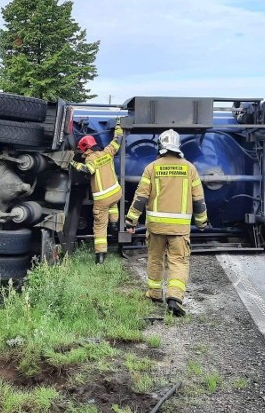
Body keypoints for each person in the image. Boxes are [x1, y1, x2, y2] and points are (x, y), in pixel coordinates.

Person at [125, 129, 208, 316]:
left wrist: (131, 220)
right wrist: (202, 223)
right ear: (177, 146)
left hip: (155, 226)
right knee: (178, 261)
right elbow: (198, 200)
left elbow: (140, 197)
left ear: (161, 145)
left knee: (155, 258)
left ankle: (154, 293)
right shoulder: (190, 168)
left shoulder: (152, 167)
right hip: (179, 228)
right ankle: (174, 298)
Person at [70, 120, 124, 264]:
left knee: (99, 226)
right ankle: (114, 226)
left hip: (102, 198)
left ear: (86, 148)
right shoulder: (107, 152)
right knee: (113, 206)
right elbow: (117, 139)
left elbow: (88, 170)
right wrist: (118, 126)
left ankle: (100, 256)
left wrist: (73, 163)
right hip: (116, 193)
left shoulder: (91, 158)